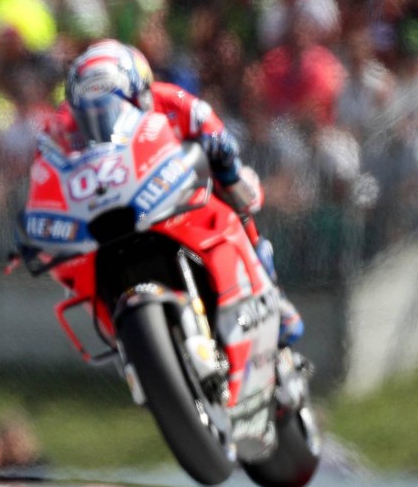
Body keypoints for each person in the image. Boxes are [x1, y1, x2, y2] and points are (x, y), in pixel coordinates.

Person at [46, 39, 303, 348]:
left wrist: (221, 152)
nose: (103, 117)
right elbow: (47, 166)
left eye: (116, 103)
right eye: (91, 110)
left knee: (239, 190)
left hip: (181, 191)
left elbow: (211, 126)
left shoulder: (172, 100)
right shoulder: (63, 125)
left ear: (140, 92)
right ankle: (122, 334)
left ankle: (271, 289)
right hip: (114, 208)